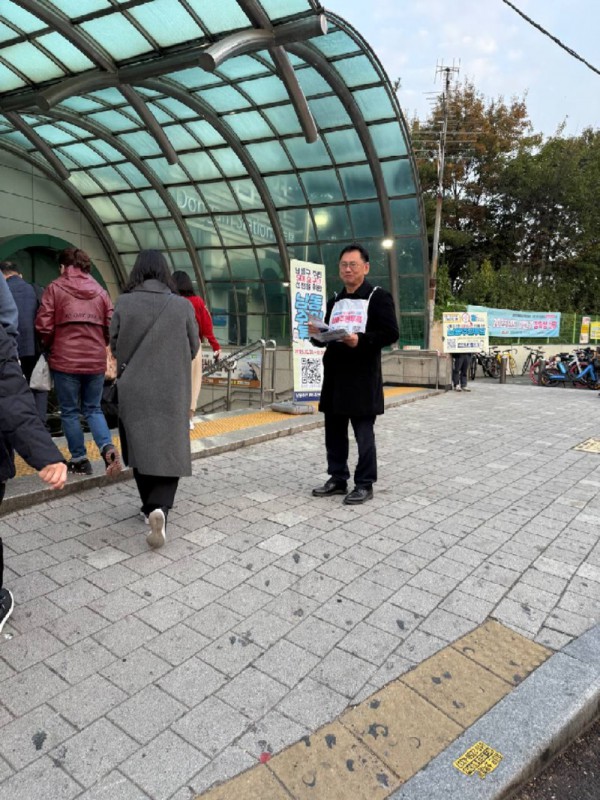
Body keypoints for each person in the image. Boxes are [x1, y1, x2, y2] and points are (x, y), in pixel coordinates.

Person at [110, 250, 199, 548]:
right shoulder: (182, 306)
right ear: (165, 272)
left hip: (134, 387)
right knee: (170, 448)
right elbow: (194, 346)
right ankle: (160, 507)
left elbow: (114, 343)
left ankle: (149, 506)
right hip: (172, 388)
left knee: (139, 445)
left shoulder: (124, 302)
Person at [0, 273, 67, 632]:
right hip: (55, 363)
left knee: (71, 412)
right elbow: (11, 400)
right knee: (75, 410)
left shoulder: (55, 290)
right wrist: (45, 454)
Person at [309, 243, 399, 505]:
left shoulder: (378, 296)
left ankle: (364, 483)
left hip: (362, 377)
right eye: (343, 265)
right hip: (335, 376)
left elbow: (390, 333)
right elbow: (324, 338)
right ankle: (338, 478)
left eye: (353, 265)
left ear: (365, 267)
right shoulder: (334, 301)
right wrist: (316, 335)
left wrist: (359, 340)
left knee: (363, 433)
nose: (347, 269)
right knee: (334, 431)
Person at [35, 247, 122, 477]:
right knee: (93, 408)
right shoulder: (101, 292)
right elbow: (110, 326)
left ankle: (80, 460)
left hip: (65, 361)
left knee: (70, 411)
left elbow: (43, 325)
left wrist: (52, 345)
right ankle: (107, 447)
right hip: (94, 361)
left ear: (64, 266)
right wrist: (97, 343)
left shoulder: (54, 288)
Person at [172, 271, 221, 429]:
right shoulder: (197, 302)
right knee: (193, 382)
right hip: (194, 345)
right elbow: (207, 326)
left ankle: (173, 416)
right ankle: (189, 418)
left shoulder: (170, 301)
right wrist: (215, 345)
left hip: (172, 345)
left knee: (175, 381)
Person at [1, 261, 48, 421]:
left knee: (13, 390)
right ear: (19, 274)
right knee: (38, 386)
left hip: (10, 349)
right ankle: (40, 423)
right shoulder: (35, 290)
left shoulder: (4, 291)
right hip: (34, 348)